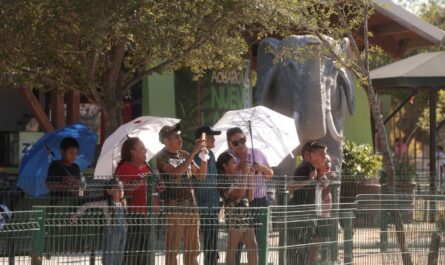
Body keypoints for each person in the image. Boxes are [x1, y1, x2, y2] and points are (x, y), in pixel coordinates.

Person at [156, 123, 208, 265]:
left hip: (191, 207)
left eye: (179, 136)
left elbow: (201, 176)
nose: (180, 139)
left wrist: (203, 157)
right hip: (174, 209)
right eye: (175, 137)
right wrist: (193, 153)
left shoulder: (184, 154)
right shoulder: (162, 157)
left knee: (193, 248)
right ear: (166, 141)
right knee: (172, 248)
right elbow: (176, 173)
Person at [226, 127, 273, 256]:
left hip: (258, 200)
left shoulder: (257, 153)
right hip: (238, 202)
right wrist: (239, 168)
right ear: (230, 144)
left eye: (242, 140)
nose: (240, 144)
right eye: (236, 143)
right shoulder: (228, 157)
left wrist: (262, 168)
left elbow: (270, 174)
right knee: (236, 244)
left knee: (257, 240)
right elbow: (225, 177)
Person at [114, 137, 162, 264]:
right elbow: (124, 190)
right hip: (135, 215)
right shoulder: (124, 168)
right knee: (134, 251)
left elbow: (154, 188)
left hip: (151, 214)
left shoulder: (147, 167)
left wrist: (159, 186)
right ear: (132, 152)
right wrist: (144, 181)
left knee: (148, 251)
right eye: (142, 149)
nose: (145, 151)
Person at [287, 141, 327, 264]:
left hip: (309, 214)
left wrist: (321, 181)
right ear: (311, 155)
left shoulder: (314, 169)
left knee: (304, 247)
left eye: (325, 154)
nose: (324, 157)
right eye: (321, 154)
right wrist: (310, 180)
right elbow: (291, 187)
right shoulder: (304, 168)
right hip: (299, 214)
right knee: (297, 248)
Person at [72, 178, 127, 265]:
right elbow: (87, 205)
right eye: (117, 188)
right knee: (110, 254)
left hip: (123, 231)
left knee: (119, 254)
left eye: (122, 188)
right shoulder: (105, 203)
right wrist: (77, 214)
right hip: (112, 231)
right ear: (108, 191)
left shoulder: (123, 202)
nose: (121, 191)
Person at [217, 152, 258, 265]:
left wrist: (250, 177)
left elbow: (250, 197)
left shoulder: (237, 178)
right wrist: (244, 174)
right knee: (232, 248)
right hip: (234, 217)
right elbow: (239, 194)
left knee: (253, 246)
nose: (236, 165)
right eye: (233, 162)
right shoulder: (223, 181)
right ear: (225, 166)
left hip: (246, 217)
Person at [194, 126, 221, 265]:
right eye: (210, 137)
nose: (213, 139)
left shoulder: (212, 155)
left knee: (212, 245)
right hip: (201, 207)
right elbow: (201, 179)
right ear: (201, 140)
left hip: (213, 206)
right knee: (205, 245)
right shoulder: (195, 156)